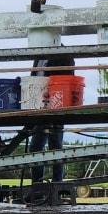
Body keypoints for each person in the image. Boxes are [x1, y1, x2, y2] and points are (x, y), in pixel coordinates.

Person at [27, 51, 73, 184]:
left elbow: (68, 76)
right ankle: (38, 185)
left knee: (55, 145)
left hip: (57, 103)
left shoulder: (64, 54)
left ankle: (56, 183)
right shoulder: (39, 54)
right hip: (39, 106)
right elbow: (34, 76)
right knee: (36, 147)